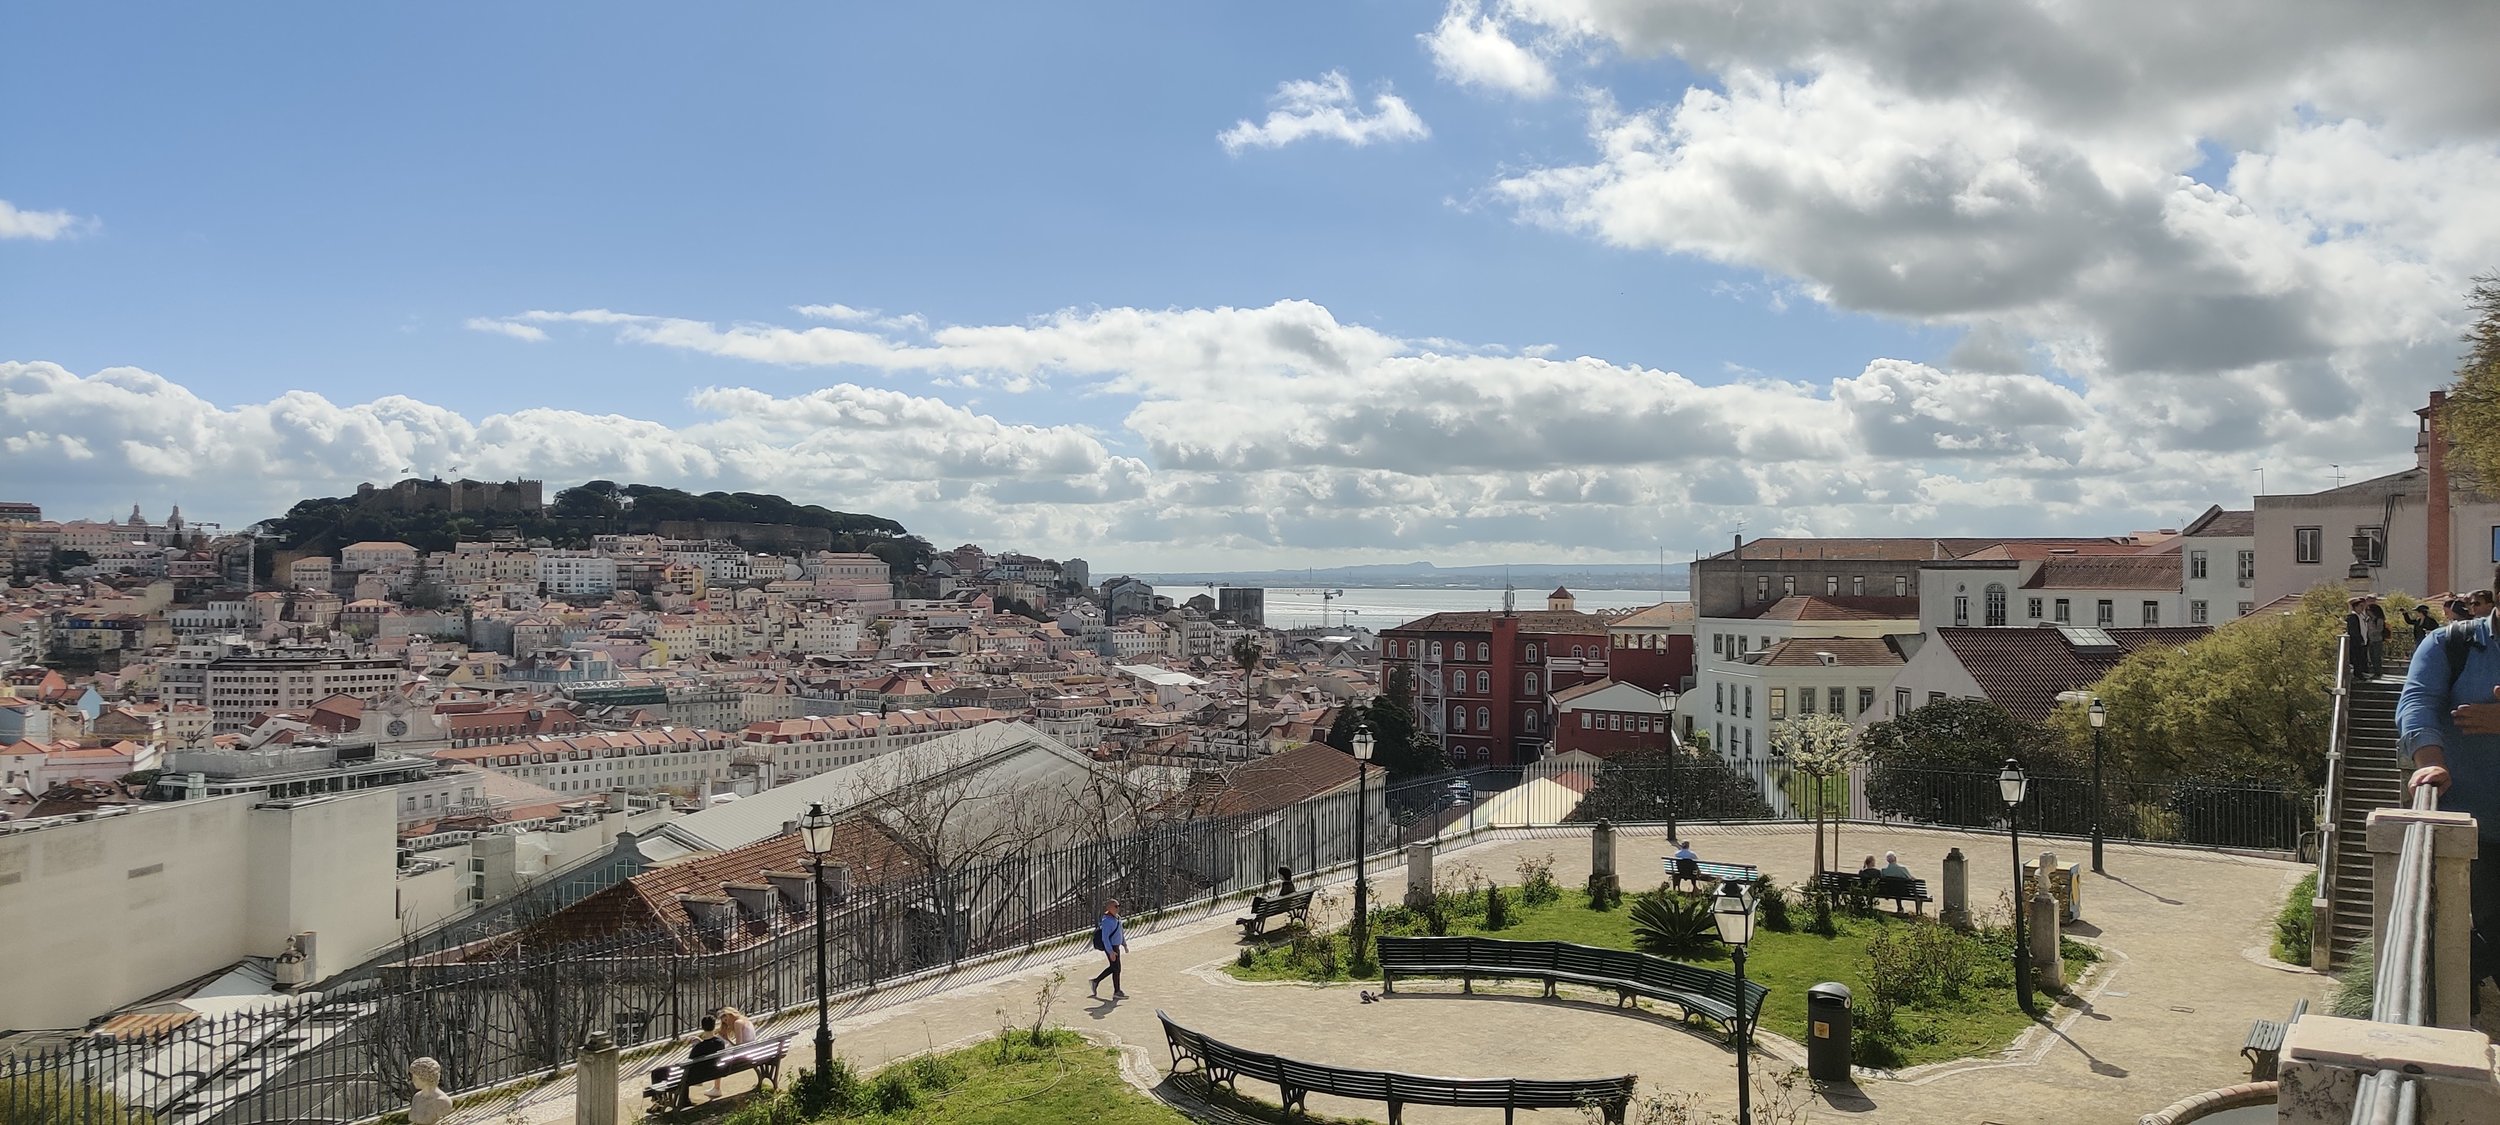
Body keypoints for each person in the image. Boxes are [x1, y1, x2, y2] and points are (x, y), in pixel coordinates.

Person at [2395, 584, 2500, 1016]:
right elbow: (2418, 703)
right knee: (2468, 939)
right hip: (2472, 832)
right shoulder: (2450, 644)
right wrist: (2431, 761)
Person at [1090, 900, 1130, 1001]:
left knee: (1115, 968)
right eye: (1115, 906)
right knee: (1116, 968)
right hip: (1111, 947)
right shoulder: (1106, 921)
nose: (1118, 908)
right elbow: (1105, 938)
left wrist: (1124, 944)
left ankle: (1096, 982)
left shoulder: (1117, 918)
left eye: (1118, 906)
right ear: (1109, 908)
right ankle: (1116, 991)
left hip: (1116, 946)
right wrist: (1110, 951)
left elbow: (1120, 932)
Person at [709, 1006, 754, 1096]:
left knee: (719, 1059)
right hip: (751, 1052)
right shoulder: (746, 1020)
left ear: (730, 1015)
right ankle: (716, 1088)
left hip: (744, 1056)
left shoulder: (738, 1023)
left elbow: (739, 1046)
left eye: (726, 1019)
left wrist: (728, 1039)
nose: (727, 1022)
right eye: (725, 1021)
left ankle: (717, 1088)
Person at [686, 1014, 727, 1096]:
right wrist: (701, 1041)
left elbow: (689, 1064)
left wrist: (699, 1043)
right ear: (714, 1026)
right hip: (715, 1071)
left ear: (702, 1027)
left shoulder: (698, 1048)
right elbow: (709, 1045)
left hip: (699, 1075)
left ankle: (684, 1100)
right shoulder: (720, 1043)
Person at [2365, 599, 2392, 678]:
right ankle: (2375, 671)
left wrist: (2372, 630)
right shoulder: (2368, 619)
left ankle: (2378, 672)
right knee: (2372, 656)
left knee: (2377, 656)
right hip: (2370, 640)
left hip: (2377, 640)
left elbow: (2379, 629)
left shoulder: (2378, 619)